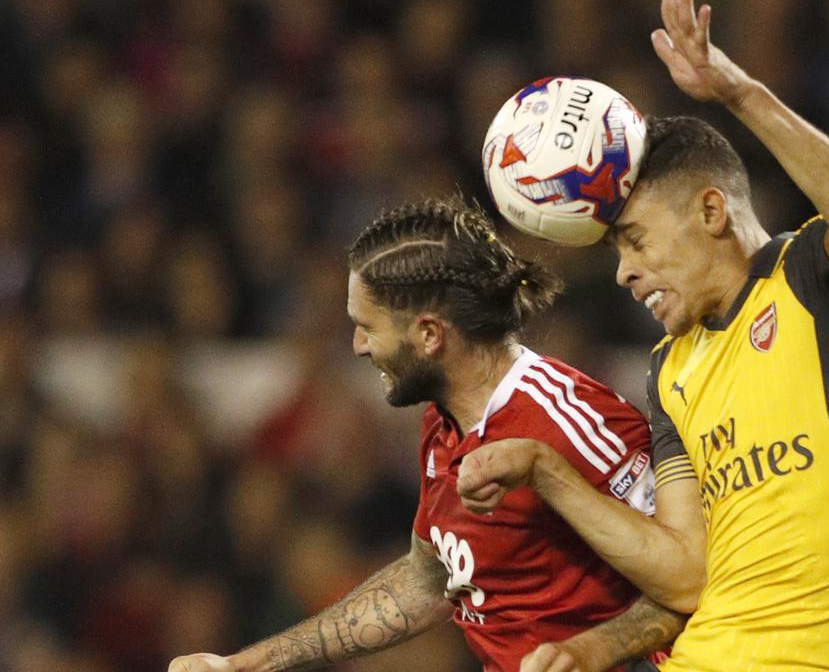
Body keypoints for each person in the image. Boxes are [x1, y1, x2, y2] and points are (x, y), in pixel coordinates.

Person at [458, 0, 829, 671]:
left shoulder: (812, 282)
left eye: (636, 241)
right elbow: (686, 575)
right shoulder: (670, 372)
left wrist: (738, 92)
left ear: (710, 211)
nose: (623, 272)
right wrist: (547, 476)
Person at [168, 195, 683, 672]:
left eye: (368, 327)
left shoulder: (572, 421)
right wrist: (246, 664)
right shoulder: (442, 423)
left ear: (430, 334)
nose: (358, 345)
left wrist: (593, 650)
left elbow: (690, 583)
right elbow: (427, 581)